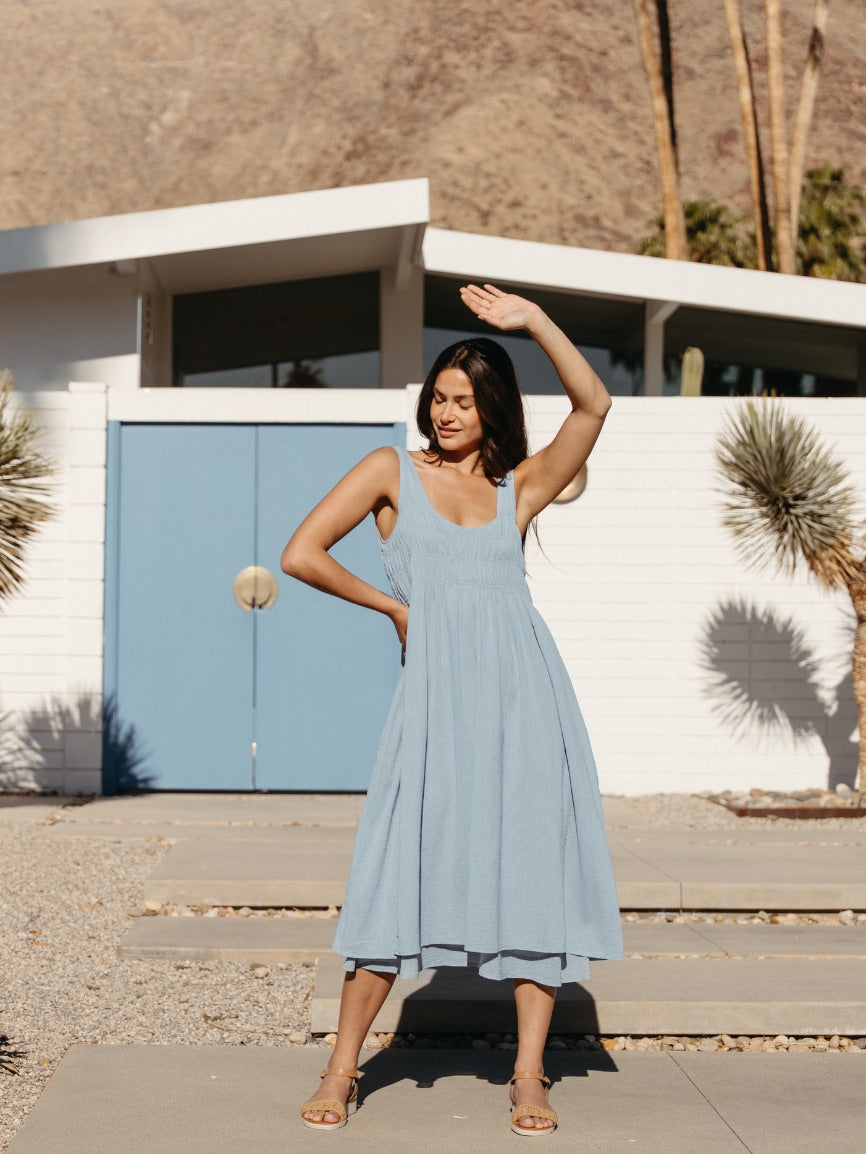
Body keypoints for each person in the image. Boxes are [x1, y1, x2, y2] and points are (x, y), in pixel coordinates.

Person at [282, 283, 623, 1136]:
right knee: (395, 873)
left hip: (527, 705)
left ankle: (529, 1075)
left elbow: (594, 404)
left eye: (464, 400)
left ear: (493, 407)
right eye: (439, 397)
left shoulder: (521, 486)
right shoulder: (391, 470)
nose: (446, 412)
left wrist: (534, 321)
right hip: (433, 708)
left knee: (533, 876)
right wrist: (394, 609)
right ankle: (341, 1070)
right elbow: (301, 553)